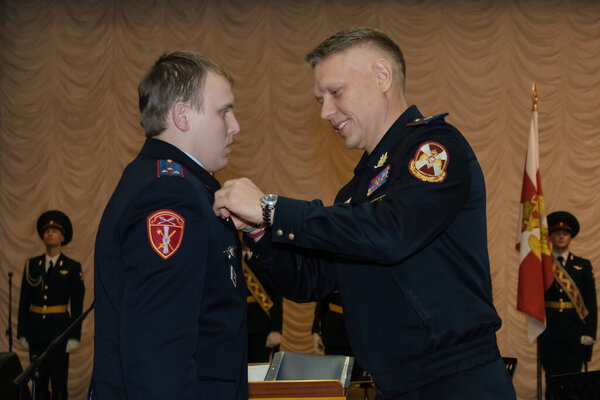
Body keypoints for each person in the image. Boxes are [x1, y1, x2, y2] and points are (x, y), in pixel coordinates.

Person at [213, 27, 516, 399]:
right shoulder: (356, 191)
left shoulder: (434, 148)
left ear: (382, 76)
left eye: (335, 92)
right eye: (320, 99)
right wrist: (259, 230)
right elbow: (310, 281)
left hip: (454, 381)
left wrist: (272, 207)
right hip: (395, 383)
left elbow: (392, 232)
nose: (325, 111)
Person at [90, 51, 247, 400]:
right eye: (224, 111)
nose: (235, 125)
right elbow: (159, 349)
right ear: (182, 116)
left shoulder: (170, 181)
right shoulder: (170, 193)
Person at [17, 210, 85, 400]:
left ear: (63, 237)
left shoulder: (72, 267)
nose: (50, 233)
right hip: (36, 333)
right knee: (38, 383)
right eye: (47, 230)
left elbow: (77, 306)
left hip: (60, 334)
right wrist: (22, 332)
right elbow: (24, 302)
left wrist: (75, 336)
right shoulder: (32, 265)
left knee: (59, 383)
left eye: (55, 230)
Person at [540, 211, 597, 380]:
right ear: (550, 237)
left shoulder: (582, 265)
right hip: (550, 333)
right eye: (557, 233)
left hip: (575, 333)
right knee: (552, 382)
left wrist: (590, 332)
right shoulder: (542, 265)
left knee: (573, 383)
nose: (561, 237)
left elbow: (591, 302)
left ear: (571, 237)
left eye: (565, 233)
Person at [242, 245, 283, 363]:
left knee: (258, 370)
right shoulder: (230, 258)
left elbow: (276, 297)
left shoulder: (263, 258)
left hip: (260, 327)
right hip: (235, 326)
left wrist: (276, 329)